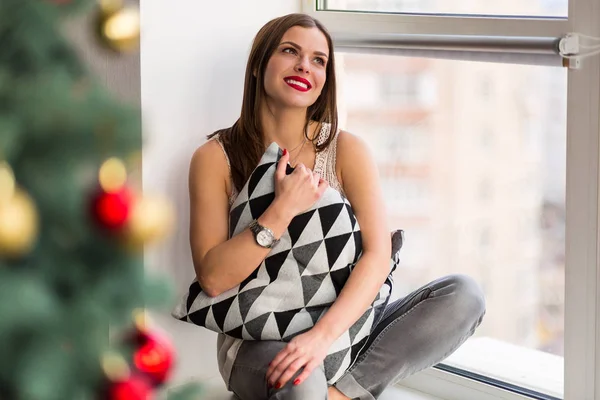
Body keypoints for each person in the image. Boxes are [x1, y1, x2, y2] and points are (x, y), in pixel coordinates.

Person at [188, 13, 486, 400]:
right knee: (299, 381)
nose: (303, 66)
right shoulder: (216, 157)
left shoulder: (346, 150)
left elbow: (377, 257)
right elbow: (212, 278)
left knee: (464, 295)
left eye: (318, 60)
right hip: (259, 340)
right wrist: (282, 210)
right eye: (290, 51)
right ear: (260, 63)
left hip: (347, 325)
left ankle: (339, 395)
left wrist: (320, 338)